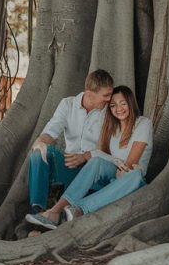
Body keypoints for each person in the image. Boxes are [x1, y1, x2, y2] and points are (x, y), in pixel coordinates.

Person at [26, 85, 152, 229]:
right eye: (113, 105)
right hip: (112, 177)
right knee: (97, 161)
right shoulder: (112, 128)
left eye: (123, 103)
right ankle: (55, 211)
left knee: (135, 175)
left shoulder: (143, 123)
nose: (119, 109)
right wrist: (104, 158)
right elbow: (103, 156)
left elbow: (130, 164)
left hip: (129, 182)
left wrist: (123, 168)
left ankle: (79, 209)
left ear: (130, 102)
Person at [27, 68, 114, 214]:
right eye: (105, 95)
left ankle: (54, 212)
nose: (109, 99)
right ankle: (38, 212)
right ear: (89, 94)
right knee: (38, 153)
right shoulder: (68, 104)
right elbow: (49, 133)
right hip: (70, 165)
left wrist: (85, 156)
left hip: (94, 170)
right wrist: (41, 143)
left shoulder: (110, 112)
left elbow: (110, 149)